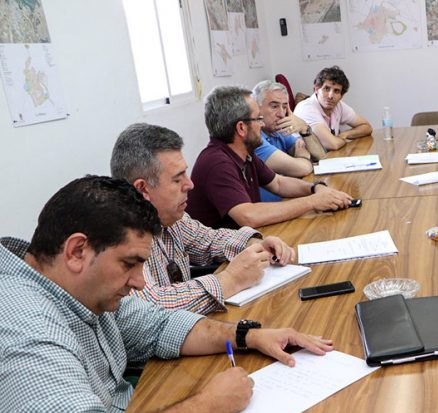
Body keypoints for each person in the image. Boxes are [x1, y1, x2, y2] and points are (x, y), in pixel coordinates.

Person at [0, 176, 334, 413]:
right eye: (130, 264)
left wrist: (247, 335)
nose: (141, 283)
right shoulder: (24, 331)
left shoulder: (68, 285)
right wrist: (209, 404)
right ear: (77, 250)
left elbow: (154, 323)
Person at [111, 122, 295, 315]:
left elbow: (208, 240)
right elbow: (151, 310)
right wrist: (231, 280)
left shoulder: (170, 217)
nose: (190, 184)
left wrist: (255, 244)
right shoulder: (118, 236)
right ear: (143, 189)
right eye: (177, 179)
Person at [187, 86, 352, 229]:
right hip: (222, 262)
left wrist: (315, 188)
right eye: (258, 119)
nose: (263, 124)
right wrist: (313, 201)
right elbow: (249, 216)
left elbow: (278, 183)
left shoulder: (245, 153)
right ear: (241, 128)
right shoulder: (217, 163)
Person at [252, 79, 326, 179]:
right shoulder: (254, 137)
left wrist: (304, 128)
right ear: (256, 107)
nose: (282, 114)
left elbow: (320, 156)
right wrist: (302, 157)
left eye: (284, 107)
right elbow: (303, 169)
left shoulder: (278, 129)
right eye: (274, 106)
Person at [293, 66, 373, 151]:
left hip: (327, 158)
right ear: (316, 89)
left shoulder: (338, 106)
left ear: (341, 96)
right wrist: (342, 140)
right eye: (326, 89)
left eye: (336, 91)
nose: (331, 96)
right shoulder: (306, 108)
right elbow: (332, 144)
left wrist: (346, 134)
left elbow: (367, 127)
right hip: (307, 161)